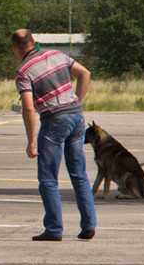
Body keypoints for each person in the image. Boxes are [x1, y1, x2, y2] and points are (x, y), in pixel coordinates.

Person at [11, 28, 96, 241]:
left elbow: (28, 108)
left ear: (16, 48)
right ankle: (88, 225)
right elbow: (85, 73)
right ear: (33, 41)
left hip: (53, 120)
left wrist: (31, 141)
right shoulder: (57, 54)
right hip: (76, 116)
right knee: (79, 174)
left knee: (48, 177)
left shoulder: (23, 71)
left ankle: (54, 229)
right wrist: (77, 99)